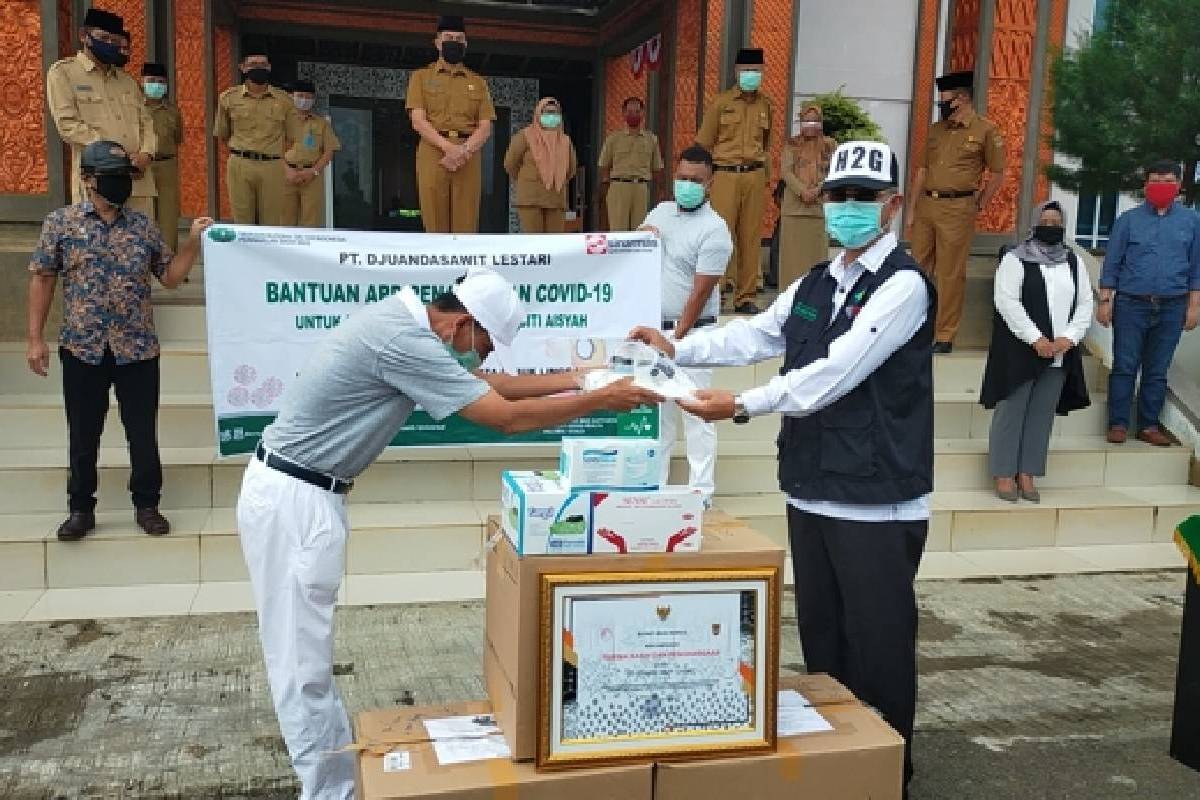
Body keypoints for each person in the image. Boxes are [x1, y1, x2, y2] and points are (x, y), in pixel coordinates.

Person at [237, 268, 659, 799]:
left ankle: (334, 781)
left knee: (304, 655)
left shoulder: (405, 326)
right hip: (293, 502)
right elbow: (502, 417)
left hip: (302, 493)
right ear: (462, 324)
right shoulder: (402, 340)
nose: (481, 360)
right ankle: (328, 792)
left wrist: (578, 380)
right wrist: (598, 400)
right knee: (300, 666)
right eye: (483, 345)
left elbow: (486, 386)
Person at [631, 140, 934, 791]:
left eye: (863, 197)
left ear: (892, 205)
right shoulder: (815, 284)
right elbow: (757, 333)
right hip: (813, 490)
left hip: (875, 501)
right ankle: (841, 770)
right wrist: (677, 345)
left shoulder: (902, 285)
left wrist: (741, 403)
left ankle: (887, 776)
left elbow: (836, 372)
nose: (848, 208)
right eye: (838, 196)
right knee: (826, 650)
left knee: (878, 654)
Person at [25, 141, 212, 541]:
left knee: (142, 431)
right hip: (82, 347)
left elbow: (171, 277)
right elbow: (42, 278)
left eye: (124, 177)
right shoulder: (61, 223)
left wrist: (193, 240)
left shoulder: (143, 226)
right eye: (111, 177)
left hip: (138, 348)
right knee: (83, 432)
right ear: (88, 179)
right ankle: (80, 509)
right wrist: (34, 339)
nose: (120, 184)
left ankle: (147, 504)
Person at [638, 144, 732, 504]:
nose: (687, 185)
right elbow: (636, 254)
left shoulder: (715, 230)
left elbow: (699, 292)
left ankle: (701, 490)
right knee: (659, 411)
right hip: (655, 329)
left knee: (697, 410)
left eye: (695, 180)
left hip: (693, 332)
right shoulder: (660, 211)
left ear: (710, 184)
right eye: (681, 178)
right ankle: (656, 486)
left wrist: (675, 339)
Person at [980, 201, 1092, 502]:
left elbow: (1084, 303)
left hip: (1059, 350)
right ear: (1034, 223)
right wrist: (1035, 338)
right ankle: (1004, 472)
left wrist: (1069, 338)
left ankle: (1027, 472)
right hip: (1020, 349)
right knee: (1012, 410)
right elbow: (1007, 302)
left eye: (1056, 221)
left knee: (1042, 413)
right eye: (1045, 220)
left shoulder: (1073, 262)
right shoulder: (1015, 259)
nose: (1051, 225)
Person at [1098, 160, 1200, 446]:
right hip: (1131, 304)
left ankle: (1148, 425)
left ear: (1178, 185)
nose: (1161, 186)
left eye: (1168, 180)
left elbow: (1196, 269)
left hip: (1173, 306)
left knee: (1157, 369)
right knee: (1125, 365)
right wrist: (1104, 301)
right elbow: (1112, 263)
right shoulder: (1127, 221)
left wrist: (1194, 306)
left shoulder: (1192, 222)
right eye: (1155, 180)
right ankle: (1118, 423)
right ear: (1145, 185)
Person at [906, 70, 1005, 353]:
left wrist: (980, 203)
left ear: (961, 98)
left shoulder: (985, 131)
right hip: (928, 204)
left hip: (958, 207)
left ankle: (944, 334)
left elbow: (997, 174)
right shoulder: (937, 130)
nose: (942, 105)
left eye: (945, 99)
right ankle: (915, 326)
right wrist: (912, 211)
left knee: (950, 273)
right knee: (917, 269)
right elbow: (923, 171)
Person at [46, 8, 157, 216]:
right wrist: (112, 151)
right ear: (84, 36)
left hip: (137, 179)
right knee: (97, 245)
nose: (110, 45)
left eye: (115, 41)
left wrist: (146, 154)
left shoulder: (127, 81)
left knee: (140, 243)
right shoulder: (64, 73)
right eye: (103, 38)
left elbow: (147, 122)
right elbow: (67, 125)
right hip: (97, 181)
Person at [696, 47, 773, 314]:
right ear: (736, 72)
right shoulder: (721, 103)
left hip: (753, 174)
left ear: (762, 73)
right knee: (720, 236)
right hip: (725, 175)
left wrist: (766, 178)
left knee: (751, 238)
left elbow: (766, 144)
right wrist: (702, 182)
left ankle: (746, 296)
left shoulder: (766, 105)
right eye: (745, 70)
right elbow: (704, 143)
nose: (750, 75)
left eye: (756, 71)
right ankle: (715, 294)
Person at [406, 15, 496, 233]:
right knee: (434, 220)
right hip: (433, 151)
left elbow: (485, 127)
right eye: (448, 37)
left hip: (468, 153)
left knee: (466, 222)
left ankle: (463, 267)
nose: (453, 42)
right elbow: (418, 121)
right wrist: (448, 148)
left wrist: (463, 150)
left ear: (465, 44)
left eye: (459, 38)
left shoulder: (478, 82)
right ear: (437, 42)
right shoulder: (420, 77)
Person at [214, 50, 293, 225]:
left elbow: (291, 136)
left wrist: (273, 152)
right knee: (242, 222)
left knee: (271, 224)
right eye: (253, 65)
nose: (259, 68)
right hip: (240, 164)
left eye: (263, 65)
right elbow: (223, 134)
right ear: (242, 68)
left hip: (272, 165)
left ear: (270, 67)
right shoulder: (228, 98)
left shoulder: (285, 100)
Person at [778, 104, 836, 287]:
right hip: (794, 210)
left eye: (815, 120)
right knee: (791, 260)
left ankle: (814, 296)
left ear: (821, 123)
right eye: (806, 120)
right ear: (800, 123)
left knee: (816, 260)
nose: (810, 125)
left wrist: (818, 189)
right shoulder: (791, 144)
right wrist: (802, 191)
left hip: (818, 210)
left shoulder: (830, 145)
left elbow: (835, 171)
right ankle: (788, 298)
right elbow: (786, 172)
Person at [504, 97, 578, 233]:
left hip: (555, 200)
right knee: (534, 244)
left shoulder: (565, 140)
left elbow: (571, 169)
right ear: (538, 114)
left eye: (555, 113)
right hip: (531, 199)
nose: (551, 116)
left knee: (553, 245)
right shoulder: (525, 136)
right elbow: (510, 163)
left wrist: (557, 179)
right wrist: (525, 179)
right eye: (547, 112)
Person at [598, 97, 665, 231]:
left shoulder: (651, 139)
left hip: (641, 188)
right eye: (629, 112)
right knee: (618, 231)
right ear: (623, 113)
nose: (633, 115)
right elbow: (604, 165)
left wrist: (658, 192)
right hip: (618, 187)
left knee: (639, 230)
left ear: (643, 113)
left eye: (637, 111)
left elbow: (657, 168)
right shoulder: (613, 138)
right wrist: (607, 188)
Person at [281, 80, 340, 228]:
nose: (304, 101)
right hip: (285, 174)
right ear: (291, 96)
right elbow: (271, 149)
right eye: (300, 96)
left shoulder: (322, 124)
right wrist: (286, 170)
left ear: (313, 100)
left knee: (311, 221)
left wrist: (313, 172)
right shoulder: (281, 121)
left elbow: (329, 151)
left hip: (312, 176)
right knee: (284, 220)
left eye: (308, 97)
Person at [141, 62, 183, 251]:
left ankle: (168, 260)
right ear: (142, 81)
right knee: (142, 213)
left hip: (167, 164)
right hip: (142, 166)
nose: (156, 85)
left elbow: (178, 138)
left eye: (160, 82)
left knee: (168, 215)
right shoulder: (134, 108)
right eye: (151, 81)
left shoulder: (173, 111)